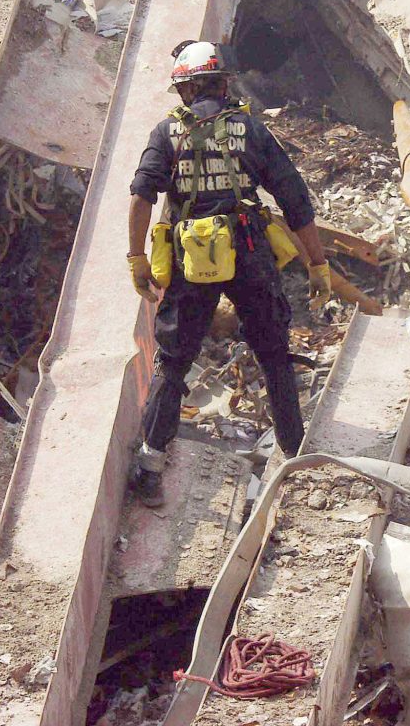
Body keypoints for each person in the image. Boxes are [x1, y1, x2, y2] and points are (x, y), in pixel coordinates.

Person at [126, 40, 331, 507]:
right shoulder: (252, 131)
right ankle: (293, 457)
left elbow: (141, 196)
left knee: (174, 362)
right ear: (223, 83)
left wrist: (137, 257)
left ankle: (151, 467)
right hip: (249, 251)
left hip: (190, 258)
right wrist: (317, 263)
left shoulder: (166, 133)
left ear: (187, 87)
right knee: (273, 355)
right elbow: (295, 201)